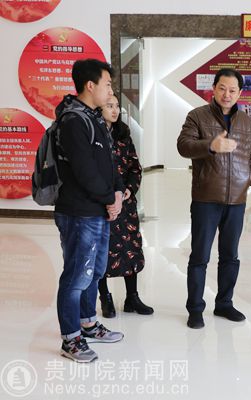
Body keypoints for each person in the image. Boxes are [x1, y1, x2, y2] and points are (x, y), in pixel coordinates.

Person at [54, 59, 125, 363]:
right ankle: (70, 338)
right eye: (107, 84)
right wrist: (110, 198)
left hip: (98, 210)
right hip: (79, 212)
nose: (110, 90)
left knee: (94, 272)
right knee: (76, 276)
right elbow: (84, 171)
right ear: (90, 85)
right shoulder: (73, 121)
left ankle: (87, 323)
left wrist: (118, 192)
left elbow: (109, 163)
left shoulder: (94, 118)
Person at [177, 68, 251, 329]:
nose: (227, 94)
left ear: (240, 93)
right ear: (213, 88)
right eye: (222, 88)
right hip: (206, 198)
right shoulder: (197, 116)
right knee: (200, 256)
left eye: (233, 90)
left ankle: (224, 303)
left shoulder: (245, 120)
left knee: (230, 256)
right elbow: (183, 146)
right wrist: (210, 146)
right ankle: (195, 309)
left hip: (237, 200)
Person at [98, 94, 153, 318]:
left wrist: (129, 189)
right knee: (102, 252)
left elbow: (135, 167)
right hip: (102, 204)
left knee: (131, 249)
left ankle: (132, 297)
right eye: (109, 106)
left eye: (116, 106)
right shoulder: (92, 133)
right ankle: (105, 298)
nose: (115, 110)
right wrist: (108, 197)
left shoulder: (123, 134)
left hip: (126, 204)